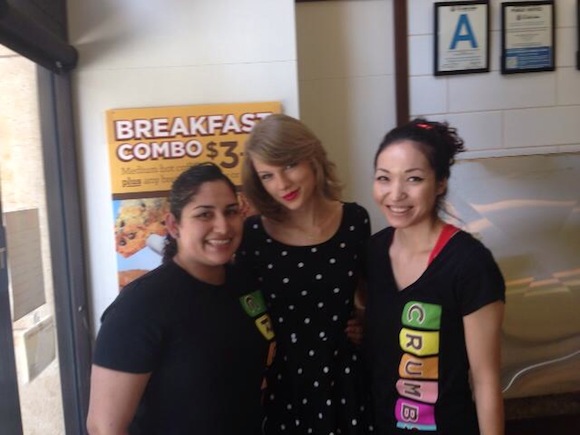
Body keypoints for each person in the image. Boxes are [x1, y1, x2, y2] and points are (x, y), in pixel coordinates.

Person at [86, 162, 274, 435]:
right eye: (204, 214)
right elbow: (104, 427)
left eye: (231, 211)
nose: (223, 226)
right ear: (174, 225)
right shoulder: (140, 306)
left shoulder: (244, 285)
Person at [364, 118, 505, 434]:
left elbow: (486, 380)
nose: (395, 194)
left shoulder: (469, 264)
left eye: (413, 179)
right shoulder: (372, 252)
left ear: (440, 183)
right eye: (384, 178)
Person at [236, 113, 372, 434]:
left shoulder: (355, 221)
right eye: (267, 176)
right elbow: (242, 315)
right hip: (282, 386)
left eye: (288, 165)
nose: (281, 184)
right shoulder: (252, 235)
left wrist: (366, 323)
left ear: (312, 157)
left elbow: (369, 295)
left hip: (346, 380)